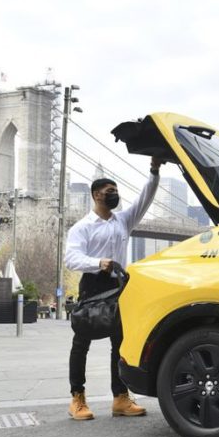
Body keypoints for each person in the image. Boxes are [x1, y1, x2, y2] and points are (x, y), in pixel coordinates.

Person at [63, 157, 163, 420]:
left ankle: (120, 397)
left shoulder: (123, 221)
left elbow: (145, 198)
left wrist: (154, 171)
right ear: (96, 195)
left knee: (119, 342)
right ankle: (77, 398)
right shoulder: (81, 227)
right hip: (93, 284)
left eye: (116, 192)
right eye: (110, 192)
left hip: (119, 286)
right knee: (81, 341)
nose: (115, 196)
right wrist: (98, 263)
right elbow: (71, 259)